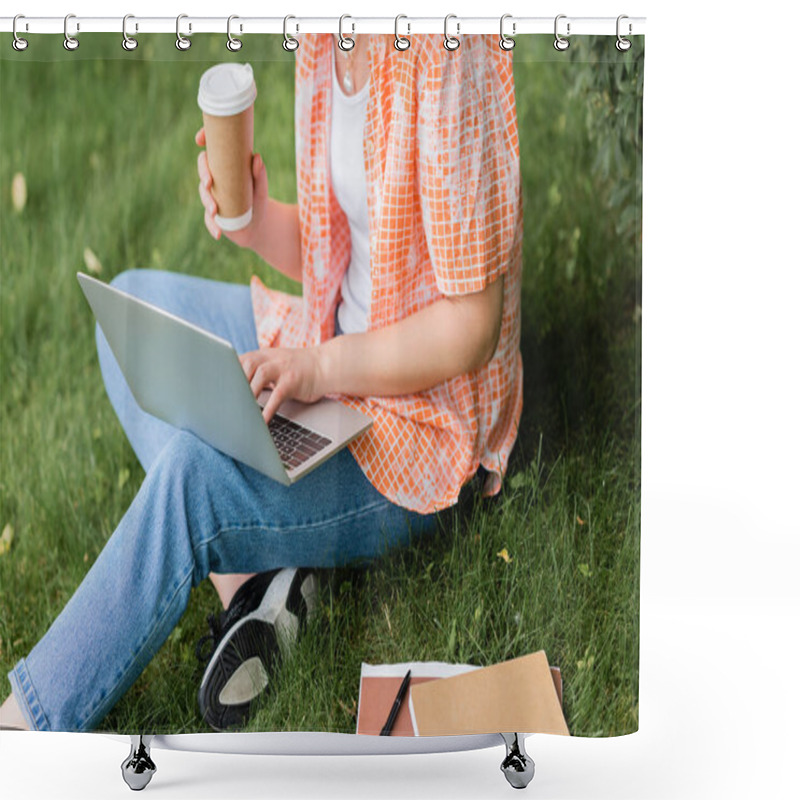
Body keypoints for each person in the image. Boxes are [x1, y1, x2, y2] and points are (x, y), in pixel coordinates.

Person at [0, 32, 522, 733]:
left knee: (191, 477)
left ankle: (24, 728)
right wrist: (252, 221)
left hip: (419, 427)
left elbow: (472, 326)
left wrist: (320, 369)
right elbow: (349, 249)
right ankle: (254, 584)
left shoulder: (449, 55)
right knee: (134, 315)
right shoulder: (327, 40)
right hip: (325, 344)